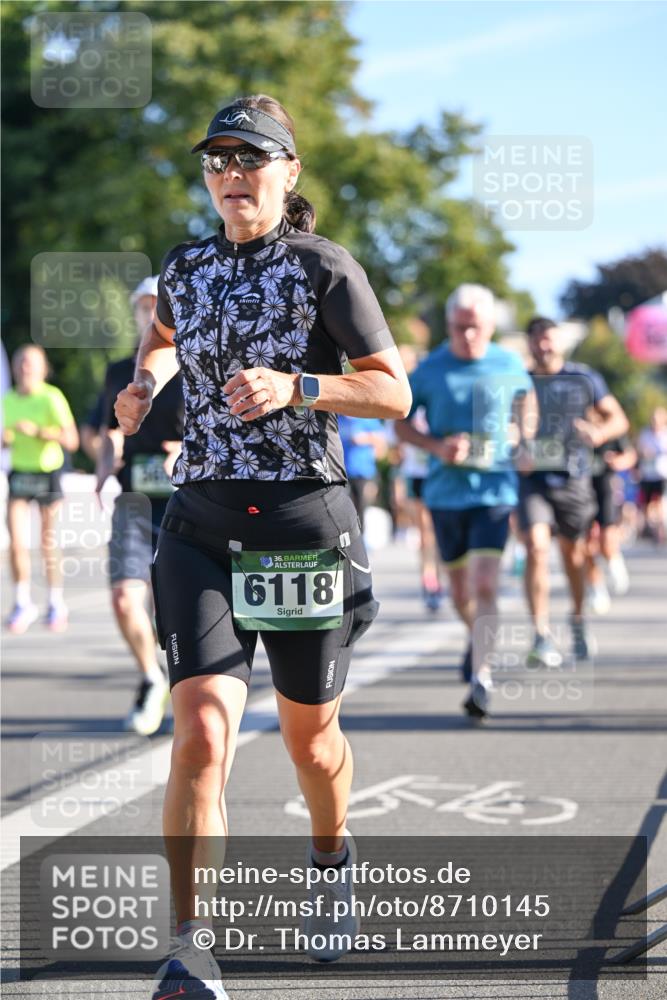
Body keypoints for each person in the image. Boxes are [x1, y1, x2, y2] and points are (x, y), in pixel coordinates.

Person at [114, 94, 411, 998]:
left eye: (250, 161)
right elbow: (162, 334)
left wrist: (298, 385)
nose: (231, 176)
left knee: (308, 741)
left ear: (288, 173)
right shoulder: (187, 265)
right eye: (216, 162)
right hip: (200, 520)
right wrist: (140, 382)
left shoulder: (323, 266)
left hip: (298, 527)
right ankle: (189, 944)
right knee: (201, 730)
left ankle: (330, 858)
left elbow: (392, 394)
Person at [395, 284, 536, 719]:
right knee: (459, 591)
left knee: (486, 584)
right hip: (444, 493)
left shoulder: (509, 363)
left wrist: (524, 436)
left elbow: (526, 402)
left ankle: (482, 677)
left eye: (475, 328)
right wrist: (436, 447)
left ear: (490, 326)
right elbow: (400, 422)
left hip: (495, 489)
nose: (468, 336)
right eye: (459, 328)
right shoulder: (431, 368)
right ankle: (476, 638)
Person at [96, 276, 184, 735]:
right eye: (143, 306)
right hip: (133, 499)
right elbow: (109, 430)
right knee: (124, 597)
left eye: (158, 306)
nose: (149, 313)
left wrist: (183, 451)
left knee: (171, 607)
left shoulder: (192, 367)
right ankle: (152, 677)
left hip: (183, 503)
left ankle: (189, 683)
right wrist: (103, 467)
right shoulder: (117, 372)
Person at [518, 317, 629, 664]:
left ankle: (578, 620)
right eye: (536, 340)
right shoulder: (519, 380)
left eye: (548, 339)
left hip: (573, 478)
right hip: (533, 478)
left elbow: (618, 419)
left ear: (560, 342)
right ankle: (540, 635)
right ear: (530, 344)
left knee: (573, 555)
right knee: (536, 548)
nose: (543, 346)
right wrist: (515, 447)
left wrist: (598, 434)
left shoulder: (584, 378)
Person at [2, 344, 79, 633]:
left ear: (43, 368)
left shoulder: (51, 397)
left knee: (48, 542)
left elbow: (71, 440)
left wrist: (38, 432)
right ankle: (22, 602)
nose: (25, 367)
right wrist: (7, 439)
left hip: (48, 473)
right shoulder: (8, 399)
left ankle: (55, 601)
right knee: (16, 542)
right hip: (20, 473)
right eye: (21, 362)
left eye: (31, 363)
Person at [585, 427, 636, 614]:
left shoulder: (611, 427)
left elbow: (630, 455)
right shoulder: (569, 422)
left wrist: (616, 461)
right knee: (587, 543)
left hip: (604, 487)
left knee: (606, 539)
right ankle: (597, 589)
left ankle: (614, 559)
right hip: (578, 490)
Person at [338, 414, 387, 530]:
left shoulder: (367, 417)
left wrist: (365, 439)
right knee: (343, 509)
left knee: (361, 509)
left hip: (363, 473)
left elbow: (382, 446)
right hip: (342, 473)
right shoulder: (337, 418)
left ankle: (360, 540)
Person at [637, 406, 667, 543]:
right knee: (646, 506)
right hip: (647, 475)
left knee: (660, 504)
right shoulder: (645, 434)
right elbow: (638, 450)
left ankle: (661, 533)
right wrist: (644, 453)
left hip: (661, 475)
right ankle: (650, 529)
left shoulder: (665, 434)